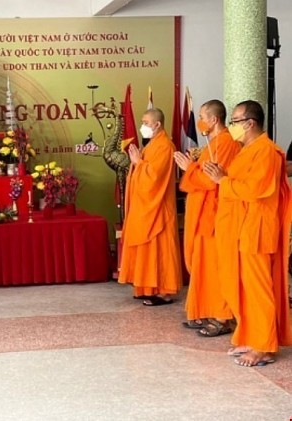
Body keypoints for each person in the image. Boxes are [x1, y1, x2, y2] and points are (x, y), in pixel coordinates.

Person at [203, 100, 292, 367]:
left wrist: (223, 180)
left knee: (258, 289)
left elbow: (255, 189)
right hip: (241, 228)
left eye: (236, 121)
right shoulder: (247, 150)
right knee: (242, 288)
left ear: (250, 123)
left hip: (257, 228)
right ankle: (252, 336)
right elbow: (238, 183)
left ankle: (264, 346)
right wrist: (221, 174)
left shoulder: (266, 151)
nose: (233, 126)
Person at [174, 100, 241, 336]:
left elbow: (209, 180)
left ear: (213, 120)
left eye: (202, 115)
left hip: (214, 215)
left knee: (215, 268)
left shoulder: (225, 142)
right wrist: (193, 165)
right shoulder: (213, 143)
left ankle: (222, 317)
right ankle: (204, 310)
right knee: (203, 268)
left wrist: (189, 168)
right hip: (203, 214)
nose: (199, 120)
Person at [119, 108, 182, 305]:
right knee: (147, 249)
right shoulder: (152, 144)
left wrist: (139, 162)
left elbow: (155, 178)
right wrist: (137, 163)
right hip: (145, 207)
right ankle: (147, 287)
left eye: (146, 122)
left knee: (159, 249)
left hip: (158, 208)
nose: (143, 126)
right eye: (142, 122)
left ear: (157, 125)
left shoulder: (165, 146)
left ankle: (163, 292)